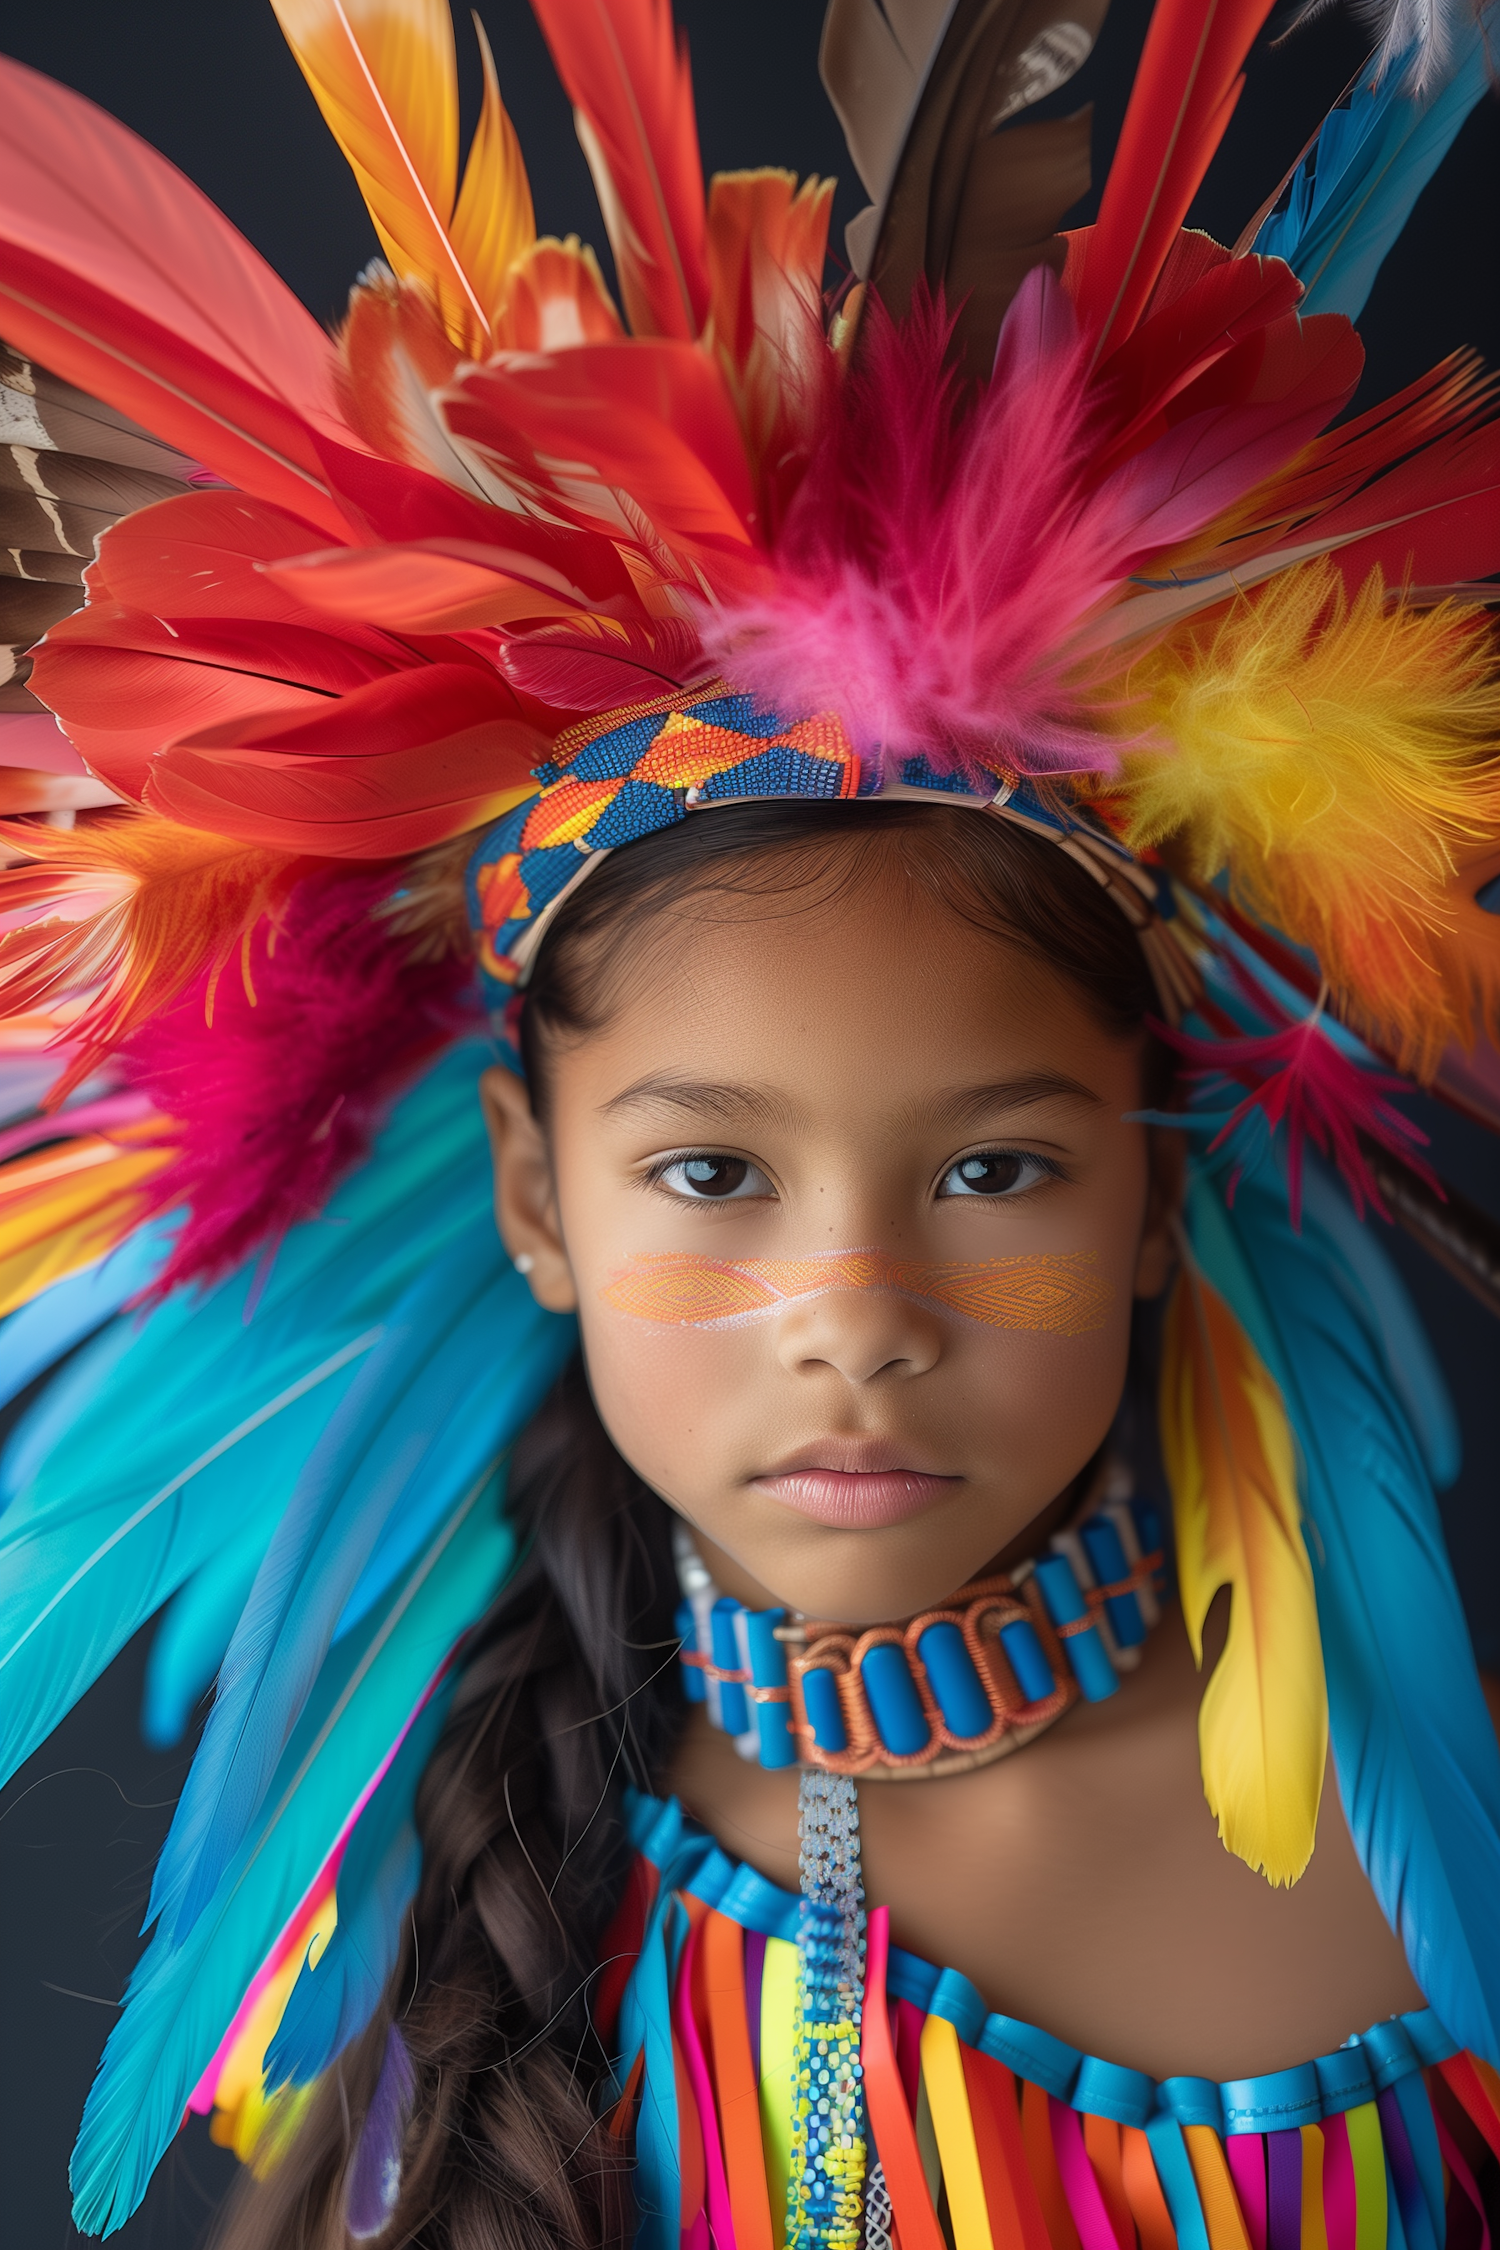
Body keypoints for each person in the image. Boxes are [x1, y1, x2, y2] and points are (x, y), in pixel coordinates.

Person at [1, 1, 1499, 2246]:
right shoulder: (433, 1898)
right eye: (712, 1173)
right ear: (538, 1195)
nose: (857, 1316)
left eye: (994, 1168)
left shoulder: (1442, 1848)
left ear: (1158, 1191)